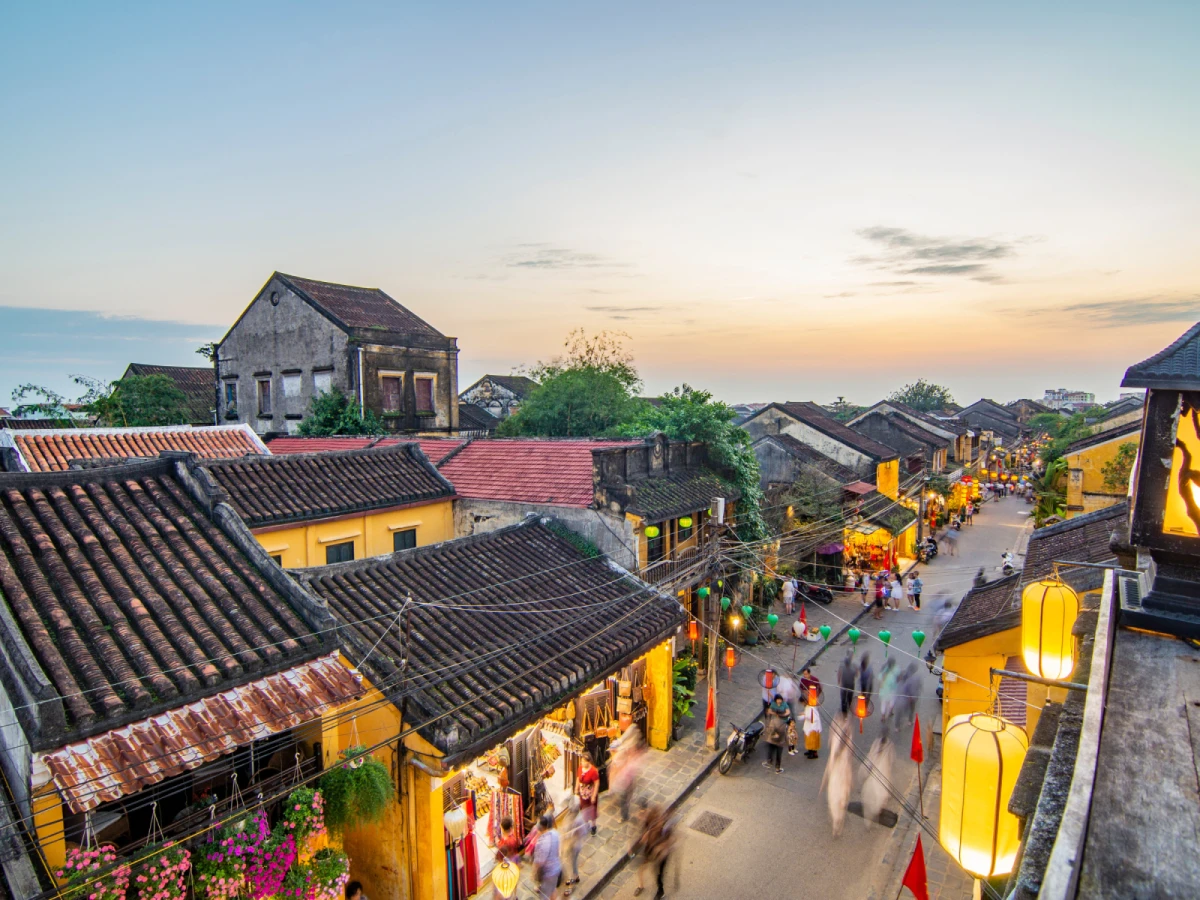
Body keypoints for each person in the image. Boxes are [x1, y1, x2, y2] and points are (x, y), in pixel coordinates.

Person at [634, 804, 678, 900]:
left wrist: (661, 849)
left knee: (658, 875)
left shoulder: (666, 830)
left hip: (661, 856)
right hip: (649, 850)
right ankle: (641, 886)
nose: (659, 821)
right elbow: (644, 837)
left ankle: (661, 892)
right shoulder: (651, 825)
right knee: (641, 868)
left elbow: (671, 841)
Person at [610, 724, 645, 824]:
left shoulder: (630, 746)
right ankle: (625, 815)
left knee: (632, 795)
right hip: (625, 778)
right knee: (626, 796)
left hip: (628, 777)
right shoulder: (627, 745)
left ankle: (642, 805)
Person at [558, 798, 586, 896]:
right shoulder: (569, 816)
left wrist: (572, 834)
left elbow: (582, 832)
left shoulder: (579, 819)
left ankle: (571, 885)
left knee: (570, 865)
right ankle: (576, 876)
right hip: (568, 844)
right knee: (572, 863)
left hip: (574, 845)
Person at [531, 812, 562, 900]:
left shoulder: (541, 842)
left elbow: (539, 862)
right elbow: (559, 850)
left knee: (544, 895)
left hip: (548, 873)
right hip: (557, 868)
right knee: (553, 889)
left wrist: (533, 873)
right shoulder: (555, 833)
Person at [762, 694, 792, 774]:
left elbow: (770, 729)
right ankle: (777, 768)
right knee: (778, 753)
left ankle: (769, 762)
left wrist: (772, 734)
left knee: (771, 749)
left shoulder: (773, 721)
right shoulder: (784, 724)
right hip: (780, 741)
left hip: (772, 739)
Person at [576, 755, 600, 835]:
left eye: (584, 761)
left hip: (590, 794)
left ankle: (593, 826)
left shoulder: (593, 771)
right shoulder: (580, 768)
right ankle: (586, 823)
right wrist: (576, 788)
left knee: (592, 810)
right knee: (584, 809)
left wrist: (594, 796)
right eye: (581, 761)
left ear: (588, 762)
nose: (582, 763)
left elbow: (596, 783)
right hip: (583, 794)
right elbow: (578, 778)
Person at [802, 690, 822, 758]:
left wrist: (804, 716)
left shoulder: (812, 708)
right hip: (809, 726)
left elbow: (812, 717)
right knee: (808, 739)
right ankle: (810, 750)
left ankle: (814, 753)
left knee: (813, 740)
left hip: (813, 727)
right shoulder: (808, 707)